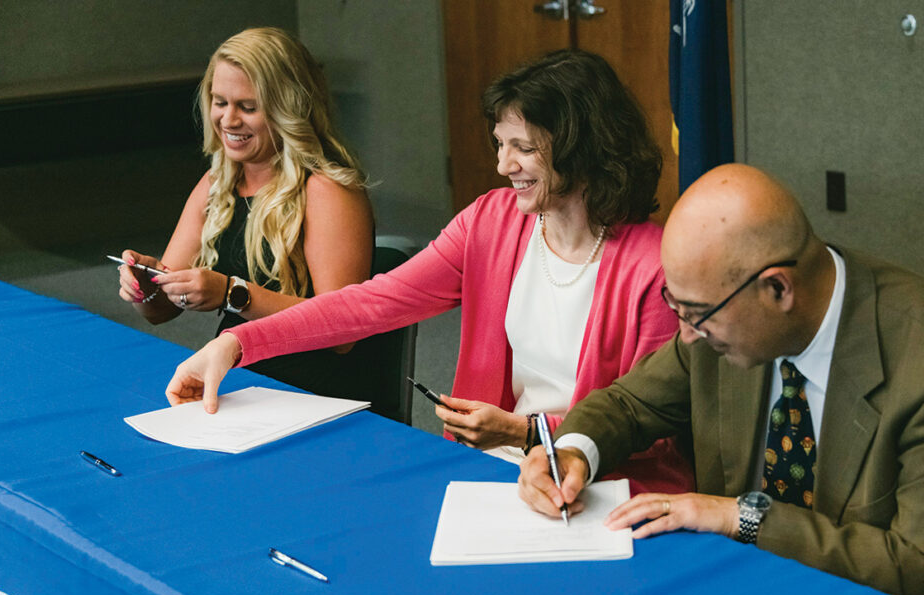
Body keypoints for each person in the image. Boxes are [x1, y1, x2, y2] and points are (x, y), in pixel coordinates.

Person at [164, 49, 693, 494]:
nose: (503, 166)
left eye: (523, 148)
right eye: (500, 144)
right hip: (495, 469)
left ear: (582, 151)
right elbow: (371, 302)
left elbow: (653, 426)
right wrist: (235, 344)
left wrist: (526, 431)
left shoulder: (654, 264)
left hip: (603, 485)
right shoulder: (491, 221)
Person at [519, 163, 924, 595]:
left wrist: (742, 517)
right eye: (678, 308)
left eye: (698, 315)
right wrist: (573, 453)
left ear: (778, 289)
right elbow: (629, 404)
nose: (686, 334)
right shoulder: (720, 327)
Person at [116, 28, 380, 411]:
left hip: (314, 395)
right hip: (239, 381)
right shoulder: (216, 183)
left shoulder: (328, 190)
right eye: (220, 102)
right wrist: (148, 284)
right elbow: (162, 312)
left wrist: (231, 294)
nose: (228, 119)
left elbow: (340, 332)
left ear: (289, 109)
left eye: (248, 107)